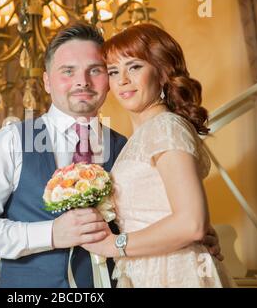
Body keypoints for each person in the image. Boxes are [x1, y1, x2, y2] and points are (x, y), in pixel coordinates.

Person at [0, 22, 222, 288]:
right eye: (67, 71)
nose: (82, 81)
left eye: (95, 70)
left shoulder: (129, 148)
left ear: (107, 81)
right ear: (47, 81)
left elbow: (173, 218)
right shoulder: (12, 140)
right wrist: (50, 234)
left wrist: (196, 238)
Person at [81, 23, 234, 287]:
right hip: (148, 269)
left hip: (172, 271)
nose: (123, 80)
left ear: (162, 72)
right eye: (114, 71)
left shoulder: (165, 128)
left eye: (135, 66)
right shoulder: (144, 135)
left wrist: (114, 245)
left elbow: (191, 224)